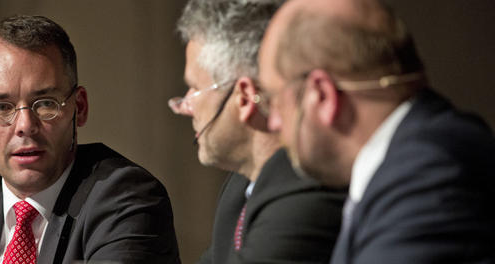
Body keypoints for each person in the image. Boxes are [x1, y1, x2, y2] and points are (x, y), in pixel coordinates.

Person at [0, 15, 180, 264]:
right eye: (1, 107)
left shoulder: (126, 198)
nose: (25, 126)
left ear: (79, 107)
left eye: (45, 104)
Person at [258, 0, 495, 262]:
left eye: (274, 101)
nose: (273, 123)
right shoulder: (417, 158)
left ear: (322, 95)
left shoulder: (426, 177)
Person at [170, 0, 345, 263]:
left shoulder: (306, 194)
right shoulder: (239, 187)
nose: (184, 106)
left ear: (244, 97)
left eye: (195, 88)